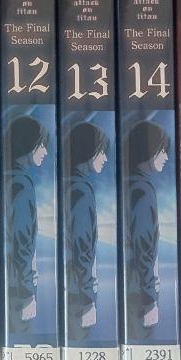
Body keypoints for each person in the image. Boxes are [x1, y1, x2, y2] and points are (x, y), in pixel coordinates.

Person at [125, 120, 169, 340]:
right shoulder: (142, 190)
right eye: (162, 150)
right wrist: (149, 298)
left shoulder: (127, 184)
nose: (166, 157)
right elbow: (143, 246)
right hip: (138, 293)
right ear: (149, 151)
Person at [5, 114, 50, 334]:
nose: (45, 152)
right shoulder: (22, 185)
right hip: (17, 290)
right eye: (41, 145)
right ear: (29, 145)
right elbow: (22, 241)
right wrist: (27, 293)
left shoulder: (6, 179)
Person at [65, 120, 109, 340]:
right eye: (102, 151)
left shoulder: (65, 186)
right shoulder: (81, 191)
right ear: (89, 152)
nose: (105, 158)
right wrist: (87, 299)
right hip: (77, 297)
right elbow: (81, 248)